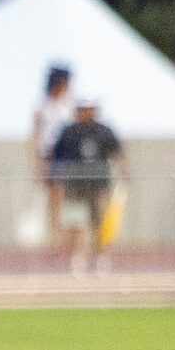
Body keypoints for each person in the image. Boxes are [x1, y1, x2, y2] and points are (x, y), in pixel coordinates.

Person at [49, 98, 126, 272]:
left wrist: (124, 173)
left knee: (100, 223)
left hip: (98, 185)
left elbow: (118, 153)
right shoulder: (69, 132)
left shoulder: (103, 131)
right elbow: (56, 156)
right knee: (76, 223)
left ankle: (100, 257)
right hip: (75, 185)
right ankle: (78, 259)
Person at [31, 63, 75, 260]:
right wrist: (37, 163)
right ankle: (57, 241)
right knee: (54, 201)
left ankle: (71, 242)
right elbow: (36, 136)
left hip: (70, 156)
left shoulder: (71, 106)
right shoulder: (43, 107)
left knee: (72, 202)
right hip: (52, 156)